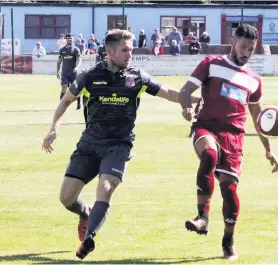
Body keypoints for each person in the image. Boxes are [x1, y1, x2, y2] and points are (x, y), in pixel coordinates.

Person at [42, 29, 200, 260]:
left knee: (105, 187)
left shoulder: (137, 76)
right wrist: (53, 128)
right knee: (66, 197)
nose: (130, 54)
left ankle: (89, 238)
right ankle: (86, 214)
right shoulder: (90, 75)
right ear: (110, 51)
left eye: (131, 49)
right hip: (89, 144)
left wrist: (201, 99)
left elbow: (168, 92)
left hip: (119, 145)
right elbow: (66, 100)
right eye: (125, 50)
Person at [178, 24, 278, 261]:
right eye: (243, 46)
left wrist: (269, 149)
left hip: (235, 137)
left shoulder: (254, 80)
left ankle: (228, 240)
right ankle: (202, 217)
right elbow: (185, 91)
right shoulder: (211, 64)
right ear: (232, 41)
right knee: (210, 155)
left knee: (229, 188)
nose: (246, 52)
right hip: (206, 127)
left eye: (251, 49)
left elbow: (258, 118)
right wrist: (186, 107)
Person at [57, 33, 82, 109]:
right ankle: (62, 105)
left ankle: (78, 103)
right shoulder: (62, 50)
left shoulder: (76, 49)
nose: (70, 39)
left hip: (74, 73)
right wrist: (57, 71)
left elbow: (79, 59)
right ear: (66, 39)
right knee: (64, 87)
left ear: (72, 39)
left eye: (71, 38)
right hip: (65, 73)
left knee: (76, 89)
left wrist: (77, 67)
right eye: (68, 38)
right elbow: (59, 61)